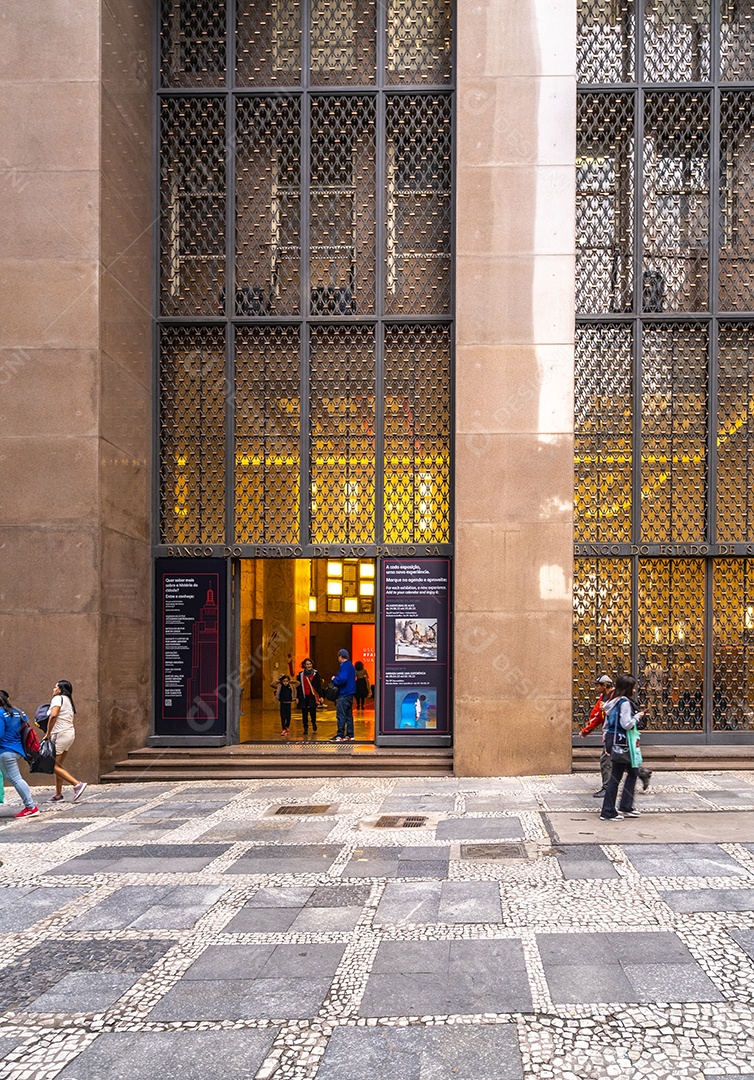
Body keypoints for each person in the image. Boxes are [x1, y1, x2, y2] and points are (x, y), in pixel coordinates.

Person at [580, 675, 653, 797]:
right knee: (623, 761)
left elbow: (604, 717)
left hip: (616, 736)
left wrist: (586, 731)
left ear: (605, 685)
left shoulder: (615, 699)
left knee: (607, 760)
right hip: (616, 735)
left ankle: (607, 788)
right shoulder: (606, 698)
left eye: (598, 685)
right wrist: (587, 730)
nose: (595, 687)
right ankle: (642, 773)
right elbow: (598, 716)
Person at [600, 674, 646, 821]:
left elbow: (607, 724)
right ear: (628, 688)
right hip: (622, 742)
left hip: (614, 741)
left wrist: (606, 739)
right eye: (632, 687)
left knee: (632, 772)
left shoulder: (612, 702)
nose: (633, 690)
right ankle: (608, 811)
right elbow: (626, 724)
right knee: (616, 777)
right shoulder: (624, 702)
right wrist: (638, 716)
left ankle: (626, 806)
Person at [0, 690, 39, 818]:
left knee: (16, 779)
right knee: (11, 777)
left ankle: (31, 807)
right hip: (17, 750)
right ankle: (30, 806)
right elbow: (25, 724)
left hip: (6, 751)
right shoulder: (18, 712)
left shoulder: (0, 713)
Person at [46, 680, 87, 802]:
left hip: (60, 734)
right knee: (58, 766)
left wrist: (48, 733)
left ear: (60, 689)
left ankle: (77, 784)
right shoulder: (68, 701)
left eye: (55, 687)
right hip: (69, 734)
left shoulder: (58, 699)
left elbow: (53, 715)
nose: (53, 689)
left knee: (52, 765)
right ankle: (58, 794)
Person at [330, 649, 356, 742]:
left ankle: (340, 735)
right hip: (350, 694)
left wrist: (335, 679)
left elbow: (343, 679)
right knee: (349, 715)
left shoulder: (344, 666)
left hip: (344, 694)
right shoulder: (351, 666)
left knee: (341, 715)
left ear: (340, 656)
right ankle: (350, 735)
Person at [297, 658, 322, 737]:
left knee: (312, 711)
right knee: (304, 712)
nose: (309, 666)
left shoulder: (316, 674)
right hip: (304, 696)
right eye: (307, 664)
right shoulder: (300, 675)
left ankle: (313, 722)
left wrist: (321, 696)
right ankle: (305, 727)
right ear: (304, 665)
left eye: (310, 664)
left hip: (312, 695)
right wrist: (297, 697)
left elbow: (318, 686)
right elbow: (298, 687)